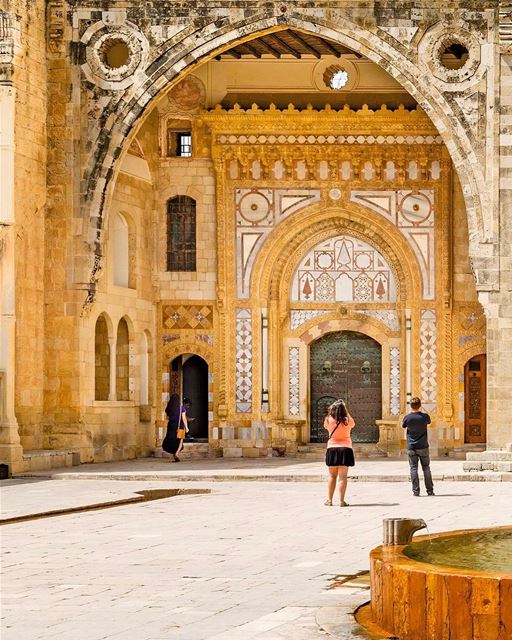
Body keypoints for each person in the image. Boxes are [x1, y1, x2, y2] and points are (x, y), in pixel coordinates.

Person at [323, 399, 356, 507]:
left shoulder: (328, 419)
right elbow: (353, 423)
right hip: (345, 449)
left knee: (332, 476)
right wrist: (345, 410)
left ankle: (329, 500)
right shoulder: (347, 420)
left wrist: (332, 410)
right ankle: (341, 501)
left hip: (332, 448)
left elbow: (325, 427)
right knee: (343, 477)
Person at [402, 396, 434, 496]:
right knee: (426, 468)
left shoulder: (408, 418)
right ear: (420, 405)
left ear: (411, 406)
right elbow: (429, 421)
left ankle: (416, 491)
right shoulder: (425, 417)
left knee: (413, 468)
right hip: (423, 446)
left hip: (411, 446)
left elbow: (403, 425)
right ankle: (430, 490)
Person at [162, 393, 188, 462]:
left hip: (171, 425)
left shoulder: (169, 408)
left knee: (171, 439)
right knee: (180, 440)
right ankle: (176, 453)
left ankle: (173, 451)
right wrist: (187, 427)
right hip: (179, 426)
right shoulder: (181, 408)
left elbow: (166, 417)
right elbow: (184, 418)